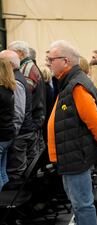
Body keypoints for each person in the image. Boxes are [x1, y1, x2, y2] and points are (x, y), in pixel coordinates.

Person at [47, 40, 97, 225]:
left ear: (65, 61)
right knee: (79, 203)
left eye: (51, 59)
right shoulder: (69, 82)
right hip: (71, 153)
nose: (48, 63)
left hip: (76, 155)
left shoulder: (77, 86)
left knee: (82, 204)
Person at [7, 41, 45, 180]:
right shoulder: (28, 67)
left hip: (26, 125)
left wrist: (15, 130)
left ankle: (22, 197)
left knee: (21, 169)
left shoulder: (26, 70)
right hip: (31, 122)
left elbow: (21, 103)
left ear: (21, 53)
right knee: (29, 164)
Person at [0, 58, 16, 191]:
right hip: (8, 134)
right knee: (2, 170)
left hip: (1, 135)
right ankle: (6, 201)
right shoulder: (9, 90)